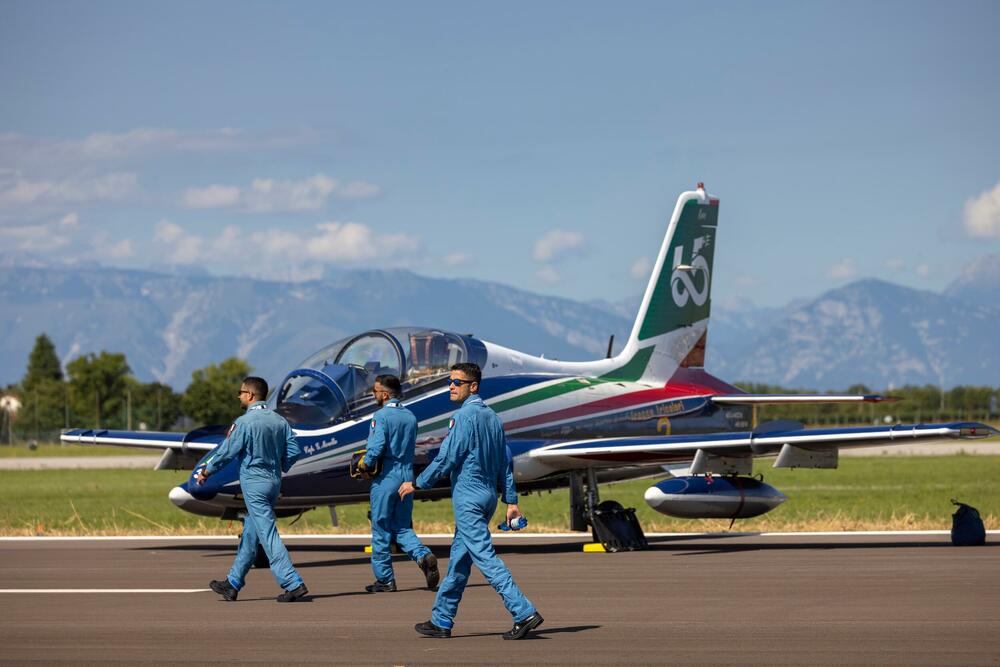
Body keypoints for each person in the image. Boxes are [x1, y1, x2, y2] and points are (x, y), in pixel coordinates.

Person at [399, 362, 543, 640]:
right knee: (459, 561)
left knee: (485, 557)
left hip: (469, 495)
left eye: (457, 382)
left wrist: (418, 482)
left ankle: (523, 612)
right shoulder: (493, 418)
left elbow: (448, 457)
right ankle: (441, 620)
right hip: (488, 495)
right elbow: (506, 464)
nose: (451, 386)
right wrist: (510, 500)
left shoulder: (464, 417)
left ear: (473, 386)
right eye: (450, 382)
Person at [195, 376, 308, 603]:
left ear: (250, 395)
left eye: (240, 392)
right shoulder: (279, 421)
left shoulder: (245, 423)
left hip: (254, 484)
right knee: (251, 533)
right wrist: (281, 464)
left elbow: (227, 451)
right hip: (273, 483)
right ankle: (233, 583)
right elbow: (295, 450)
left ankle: (293, 583)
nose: (239, 396)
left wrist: (207, 471)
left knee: (268, 535)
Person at [358, 374, 440, 593]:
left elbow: (376, 447)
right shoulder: (410, 416)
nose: (373, 395)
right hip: (406, 476)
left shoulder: (381, 416)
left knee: (381, 527)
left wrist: (364, 465)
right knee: (402, 526)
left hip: (386, 476)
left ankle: (385, 579)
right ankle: (423, 555)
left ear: (385, 394)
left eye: (375, 391)